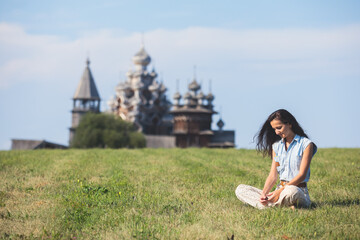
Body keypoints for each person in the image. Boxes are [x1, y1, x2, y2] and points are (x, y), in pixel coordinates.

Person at [235, 109, 317, 209]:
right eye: (274, 129)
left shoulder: (306, 144)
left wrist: (279, 191)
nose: (276, 132)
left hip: (297, 190)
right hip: (279, 192)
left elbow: (302, 175)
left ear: (289, 124)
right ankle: (276, 204)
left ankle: (268, 206)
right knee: (240, 189)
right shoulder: (276, 146)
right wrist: (264, 194)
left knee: (292, 191)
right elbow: (273, 176)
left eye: (279, 128)